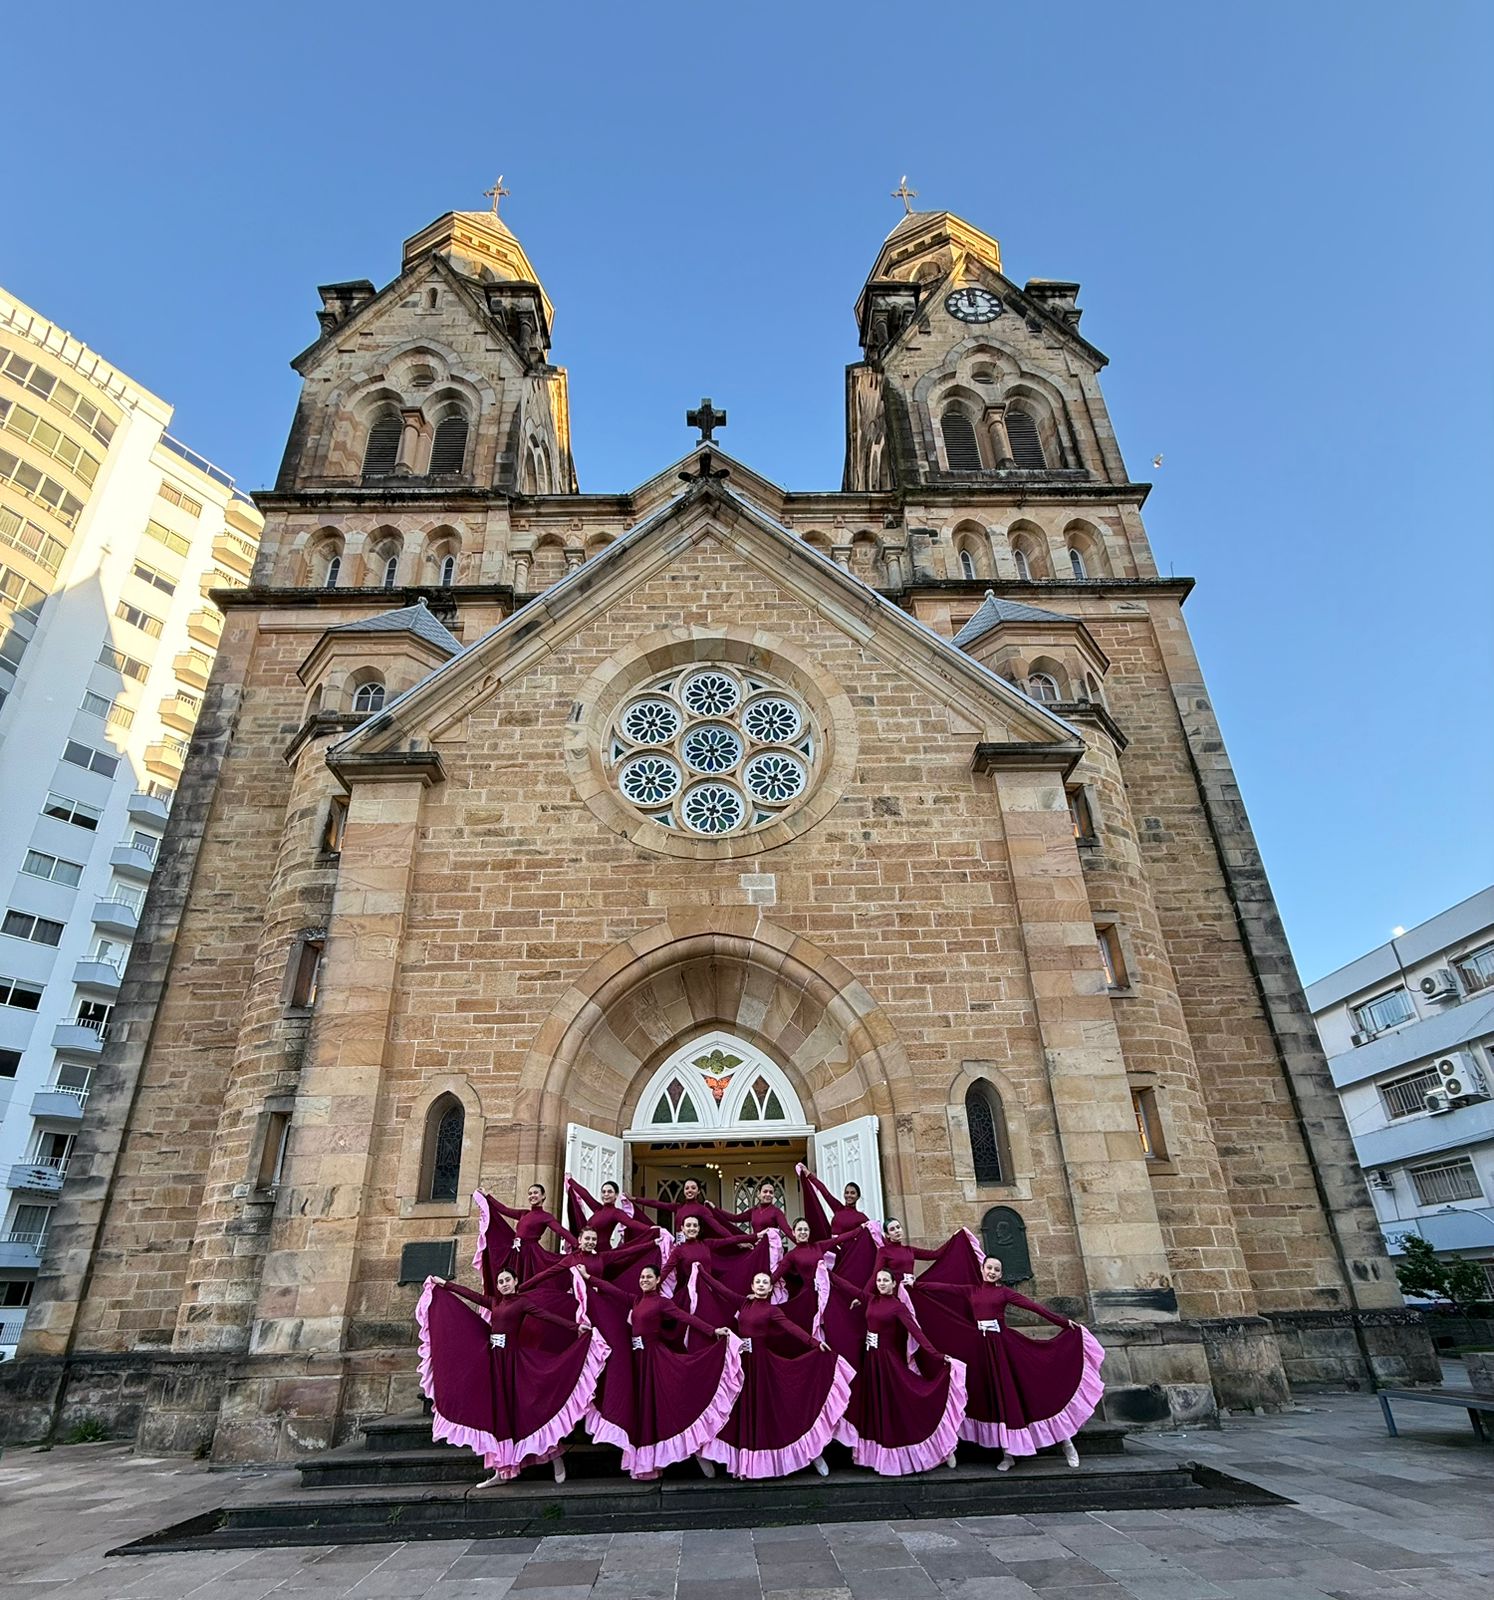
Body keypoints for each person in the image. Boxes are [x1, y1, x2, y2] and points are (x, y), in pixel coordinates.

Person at [416, 1265, 607, 1488]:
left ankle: (556, 1459)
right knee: (497, 1415)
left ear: (515, 1281)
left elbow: (546, 1316)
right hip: (495, 1364)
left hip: (514, 1364)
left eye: (508, 1280)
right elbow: (472, 1295)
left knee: (525, 1412)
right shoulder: (495, 1303)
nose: (504, 1284)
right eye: (500, 1282)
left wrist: (575, 1327)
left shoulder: (521, 1303)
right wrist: (444, 1284)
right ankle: (501, 1471)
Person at [911, 1255, 1104, 1471]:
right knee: (997, 1399)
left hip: (1006, 1349)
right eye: (989, 1268)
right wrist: (916, 1285)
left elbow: (1032, 1307)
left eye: (996, 1269)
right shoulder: (971, 1290)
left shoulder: (1004, 1293)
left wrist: (1062, 1322)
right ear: (982, 1270)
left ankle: (1066, 1442)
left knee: (1028, 1394)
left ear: (1000, 1274)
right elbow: (942, 1288)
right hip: (983, 1352)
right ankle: (1007, 1454)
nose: (992, 1272)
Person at [584, 1264, 744, 1480]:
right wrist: (587, 1278)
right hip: (639, 1361)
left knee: (668, 1405)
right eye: (642, 1276)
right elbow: (612, 1291)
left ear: (658, 1280)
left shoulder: (661, 1303)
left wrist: (713, 1330)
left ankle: (697, 1452)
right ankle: (648, 1462)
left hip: (656, 1359)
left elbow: (686, 1317)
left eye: (649, 1277)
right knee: (644, 1411)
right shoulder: (636, 1300)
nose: (644, 1280)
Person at [695, 1267, 854, 1480]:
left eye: (765, 1283)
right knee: (733, 1411)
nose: (761, 1285)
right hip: (741, 1365)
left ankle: (811, 1453)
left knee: (775, 1409)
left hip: (762, 1365)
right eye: (757, 1282)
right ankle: (714, 1455)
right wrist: (701, 1272)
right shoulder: (743, 1303)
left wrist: (814, 1342)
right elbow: (720, 1289)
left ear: (770, 1288)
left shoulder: (772, 1311)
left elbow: (791, 1328)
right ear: (752, 1286)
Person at [831, 1267, 967, 1476]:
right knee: (878, 1405)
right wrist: (823, 1270)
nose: (882, 1283)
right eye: (879, 1280)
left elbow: (916, 1332)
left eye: (886, 1280)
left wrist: (938, 1355)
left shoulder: (898, 1307)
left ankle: (943, 1446)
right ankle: (881, 1455)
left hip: (888, 1361)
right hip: (872, 1361)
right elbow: (849, 1288)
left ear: (894, 1284)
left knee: (903, 1402)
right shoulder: (871, 1299)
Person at [474, 1183, 577, 1288]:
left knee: (529, 1282)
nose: (532, 1195)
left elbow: (560, 1230)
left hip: (531, 1254)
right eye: (530, 1193)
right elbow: (503, 1209)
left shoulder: (546, 1216)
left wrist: (577, 1244)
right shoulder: (524, 1213)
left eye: (536, 1193)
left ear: (543, 1196)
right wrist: (487, 1196)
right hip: (516, 1253)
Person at [658, 1214, 761, 1311]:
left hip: (710, 1289)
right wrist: (654, 1284)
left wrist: (756, 1236)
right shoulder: (679, 1250)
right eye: (688, 1225)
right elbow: (666, 1269)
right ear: (682, 1228)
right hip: (691, 1293)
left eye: (695, 1225)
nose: (692, 1228)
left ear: (698, 1229)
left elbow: (730, 1240)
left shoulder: (706, 1244)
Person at [630, 1178, 741, 1240]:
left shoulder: (702, 1209)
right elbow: (656, 1203)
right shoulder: (679, 1207)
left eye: (693, 1188)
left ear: (698, 1191)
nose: (689, 1190)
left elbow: (718, 1228)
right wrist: (635, 1199)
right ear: (683, 1191)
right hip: (678, 1244)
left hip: (695, 1245)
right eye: (687, 1188)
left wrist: (737, 1241)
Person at [564, 1176, 657, 1249]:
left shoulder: (616, 1213)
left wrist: (649, 1228)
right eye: (603, 1192)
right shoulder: (598, 1209)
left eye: (609, 1192)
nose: (606, 1194)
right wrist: (570, 1180)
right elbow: (585, 1195)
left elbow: (631, 1223)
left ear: (616, 1195)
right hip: (587, 1250)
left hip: (602, 1253)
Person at [796, 1162, 877, 1238]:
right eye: (847, 1192)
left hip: (848, 1251)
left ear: (858, 1196)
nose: (849, 1195)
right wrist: (809, 1175)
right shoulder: (838, 1208)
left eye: (852, 1193)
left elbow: (871, 1236)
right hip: (831, 1247)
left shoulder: (861, 1218)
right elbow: (825, 1193)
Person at [863, 1217, 942, 1292]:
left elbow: (935, 1254)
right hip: (896, 1292)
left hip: (911, 1290)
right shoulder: (884, 1251)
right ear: (887, 1235)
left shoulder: (909, 1250)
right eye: (892, 1229)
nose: (897, 1231)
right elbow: (876, 1275)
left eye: (898, 1227)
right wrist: (863, 1296)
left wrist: (954, 1238)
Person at [724, 1179, 793, 1239]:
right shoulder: (754, 1211)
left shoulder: (776, 1212)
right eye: (765, 1191)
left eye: (771, 1192)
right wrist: (714, 1209)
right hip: (757, 1246)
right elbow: (734, 1218)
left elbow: (787, 1230)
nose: (768, 1194)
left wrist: (802, 1244)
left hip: (771, 1248)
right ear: (758, 1194)